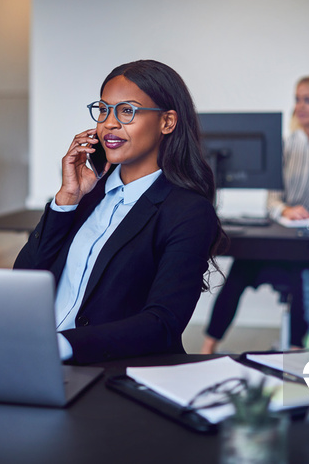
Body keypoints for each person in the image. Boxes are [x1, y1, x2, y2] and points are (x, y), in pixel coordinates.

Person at [14, 60, 226, 365]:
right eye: (104, 110)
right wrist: (67, 198)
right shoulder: (85, 197)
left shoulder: (187, 211)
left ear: (167, 122)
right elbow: (24, 282)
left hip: (108, 373)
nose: (109, 123)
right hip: (34, 360)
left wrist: (59, 345)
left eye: (127, 111)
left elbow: (162, 324)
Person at [201, 75, 309, 354]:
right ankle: (207, 346)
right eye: (297, 100)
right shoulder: (284, 146)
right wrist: (285, 208)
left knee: (303, 278)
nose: (300, 106)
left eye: (307, 100)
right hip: (277, 241)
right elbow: (272, 200)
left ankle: (295, 352)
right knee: (238, 270)